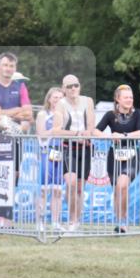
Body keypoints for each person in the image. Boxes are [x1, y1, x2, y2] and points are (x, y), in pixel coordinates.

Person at [0, 53, 33, 227]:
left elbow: (28, 113)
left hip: (15, 138)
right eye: (5, 65)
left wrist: (6, 113)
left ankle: (6, 219)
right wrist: (16, 111)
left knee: (12, 178)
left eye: (11, 66)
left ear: (15, 68)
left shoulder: (20, 86)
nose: (8, 69)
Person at [95, 84, 140, 233]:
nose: (129, 100)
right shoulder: (110, 115)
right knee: (117, 190)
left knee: (123, 185)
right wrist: (110, 136)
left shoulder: (138, 114)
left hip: (131, 156)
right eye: (126, 97)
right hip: (114, 156)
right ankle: (119, 222)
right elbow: (95, 131)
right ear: (118, 99)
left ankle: (123, 221)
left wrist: (123, 136)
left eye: (131, 97)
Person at [52, 74, 96, 232]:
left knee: (79, 188)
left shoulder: (88, 101)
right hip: (68, 147)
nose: (73, 89)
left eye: (75, 85)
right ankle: (71, 221)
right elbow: (56, 131)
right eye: (69, 86)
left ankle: (76, 221)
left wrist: (87, 134)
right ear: (64, 89)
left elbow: (91, 124)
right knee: (70, 183)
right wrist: (76, 134)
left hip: (85, 148)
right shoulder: (61, 105)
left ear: (79, 86)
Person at [35, 87, 66, 231]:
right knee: (43, 190)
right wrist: (53, 130)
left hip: (60, 154)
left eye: (61, 98)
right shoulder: (43, 114)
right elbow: (40, 134)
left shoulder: (66, 115)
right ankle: (40, 222)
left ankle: (55, 222)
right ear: (49, 99)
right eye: (55, 97)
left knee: (57, 190)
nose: (58, 100)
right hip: (46, 153)